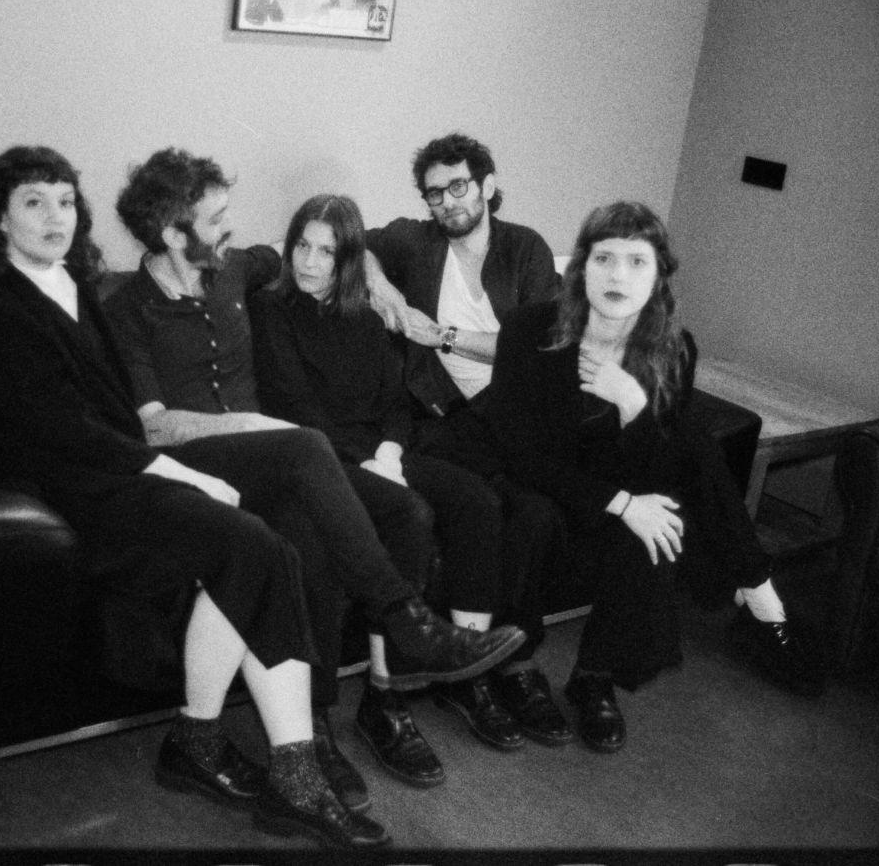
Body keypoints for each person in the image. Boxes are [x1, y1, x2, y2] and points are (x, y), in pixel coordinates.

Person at [0, 146, 393, 848]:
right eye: (34, 202)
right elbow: (63, 433)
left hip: (110, 472)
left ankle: (217, 747)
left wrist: (382, 281)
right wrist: (176, 472)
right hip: (68, 493)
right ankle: (268, 768)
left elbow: (303, 255)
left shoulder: (68, 280)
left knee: (261, 548)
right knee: (250, 544)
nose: (55, 216)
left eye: (65, 199)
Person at [102, 147, 526, 803]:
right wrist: (247, 427)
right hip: (197, 465)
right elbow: (155, 425)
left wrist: (384, 295)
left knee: (398, 513)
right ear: (169, 230)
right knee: (304, 458)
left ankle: (364, 704)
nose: (228, 231)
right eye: (216, 219)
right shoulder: (126, 309)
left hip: (278, 459)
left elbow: (334, 247)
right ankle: (409, 625)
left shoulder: (235, 268)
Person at [460, 200, 825, 752]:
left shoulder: (672, 349)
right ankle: (516, 665)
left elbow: (656, 469)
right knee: (558, 511)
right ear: (581, 267)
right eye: (605, 258)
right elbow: (520, 455)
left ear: (658, 277)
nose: (617, 276)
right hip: (536, 482)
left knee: (662, 508)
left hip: (613, 481)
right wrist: (624, 503)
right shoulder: (530, 329)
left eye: (637, 261)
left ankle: (594, 677)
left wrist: (633, 406)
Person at [250, 193, 577, 768]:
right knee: (408, 516)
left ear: (349, 259)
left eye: (326, 251)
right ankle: (361, 698)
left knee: (475, 501)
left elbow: (396, 402)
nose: (308, 261)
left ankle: (435, 683)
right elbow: (296, 409)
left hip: (378, 452)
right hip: (316, 457)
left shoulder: (367, 317)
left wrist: (391, 450)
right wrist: (372, 461)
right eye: (301, 244)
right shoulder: (272, 310)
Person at [363, 132, 560, 454]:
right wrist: (382, 287)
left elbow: (533, 349)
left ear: (487, 187)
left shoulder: (524, 247)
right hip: (453, 411)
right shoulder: (419, 242)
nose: (448, 202)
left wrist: (443, 336)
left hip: (526, 403)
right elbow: (357, 244)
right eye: (435, 193)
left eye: (458, 186)